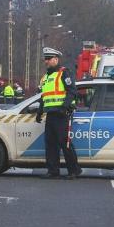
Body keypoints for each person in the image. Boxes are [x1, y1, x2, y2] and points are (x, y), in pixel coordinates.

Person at [36, 47, 82, 180]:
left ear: (56, 59)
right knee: (50, 143)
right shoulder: (45, 77)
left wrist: (64, 107)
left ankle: (74, 170)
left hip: (62, 114)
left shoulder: (64, 73)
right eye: (45, 59)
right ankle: (53, 171)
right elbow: (44, 97)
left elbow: (72, 91)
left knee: (65, 143)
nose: (46, 61)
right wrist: (39, 112)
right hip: (50, 114)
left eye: (49, 59)